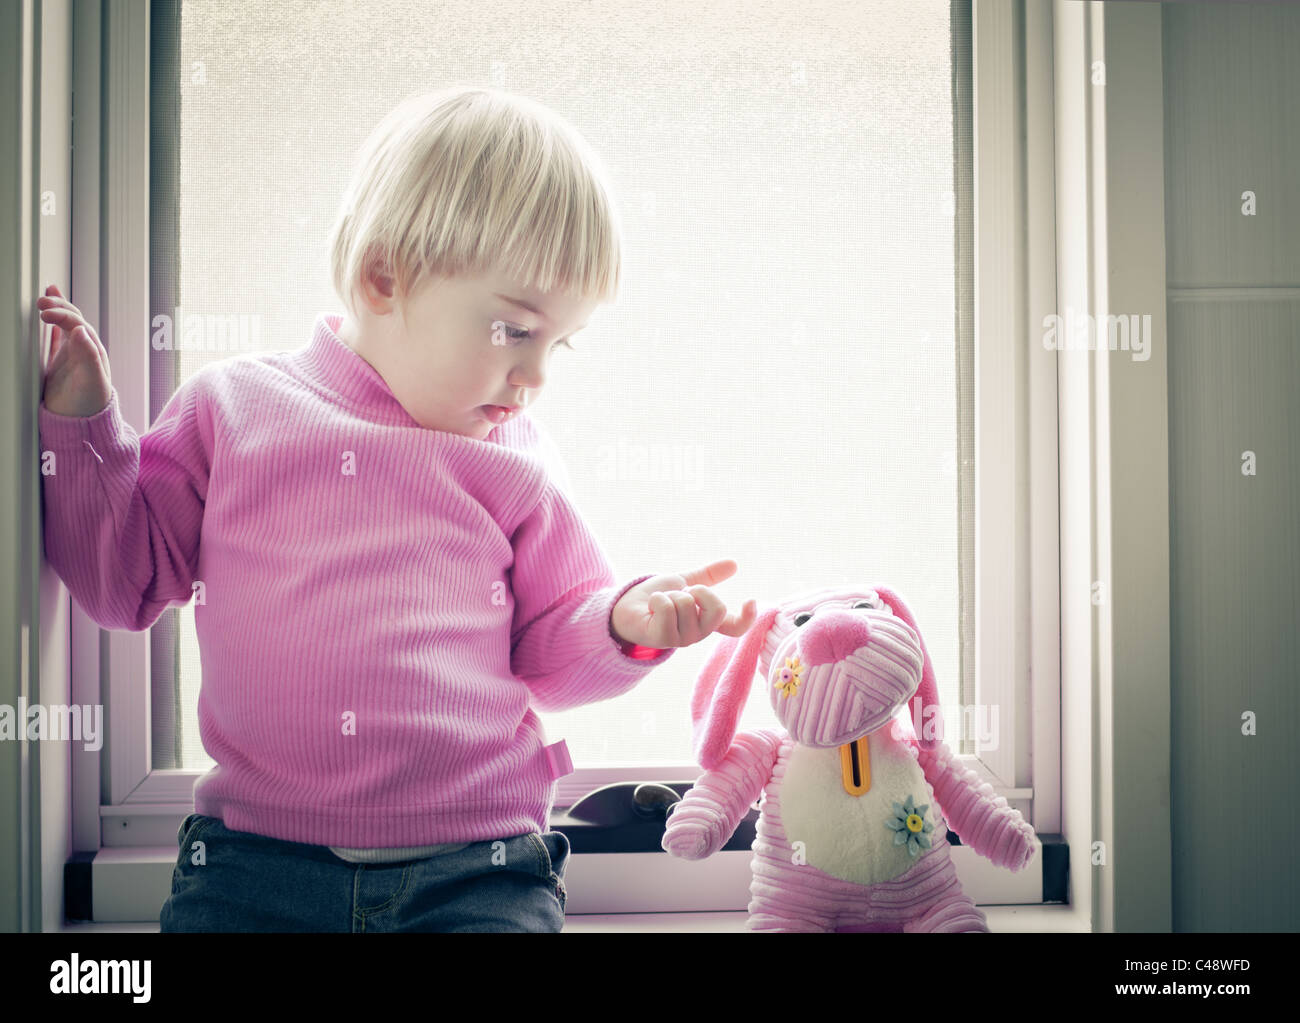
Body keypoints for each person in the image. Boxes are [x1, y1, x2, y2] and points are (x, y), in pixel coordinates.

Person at [37, 86, 758, 933]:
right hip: (253, 865)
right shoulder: (232, 410)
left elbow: (550, 650)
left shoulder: (513, 458)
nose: (536, 379)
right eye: (515, 332)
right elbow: (122, 580)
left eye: (557, 344)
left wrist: (627, 625)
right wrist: (83, 425)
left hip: (476, 868)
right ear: (387, 278)